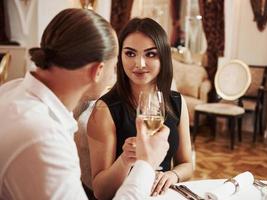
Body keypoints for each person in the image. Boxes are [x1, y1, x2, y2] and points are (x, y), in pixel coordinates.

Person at [0, 9, 169, 200]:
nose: (115, 76)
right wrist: (146, 163)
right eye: (114, 67)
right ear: (98, 70)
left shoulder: (10, 90)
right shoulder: (45, 136)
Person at [88, 17, 193, 200]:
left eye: (150, 54)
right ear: (119, 57)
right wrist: (125, 160)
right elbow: (101, 192)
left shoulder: (176, 102)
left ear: (163, 57)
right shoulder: (105, 110)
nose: (139, 63)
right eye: (130, 53)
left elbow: (187, 164)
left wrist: (172, 175)